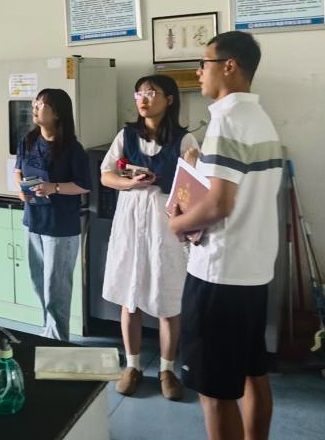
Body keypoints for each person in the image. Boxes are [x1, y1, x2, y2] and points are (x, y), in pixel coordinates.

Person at [168, 31, 282, 440]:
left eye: (204, 63)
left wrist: (177, 225)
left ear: (229, 66)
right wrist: (199, 162)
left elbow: (219, 204)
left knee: (215, 393)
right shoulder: (258, 118)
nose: (199, 72)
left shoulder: (226, 121)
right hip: (252, 270)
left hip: (219, 273)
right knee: (253, 373)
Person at [100, 74, 200, 401]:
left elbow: (193, 188)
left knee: (168, 297)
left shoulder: (185, 140)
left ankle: (167, 370)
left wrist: (190, 170)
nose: (143, 99)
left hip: (165, 222)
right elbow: (106, 175)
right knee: (130, 294)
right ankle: (132, 366)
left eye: (151, 93)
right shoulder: (126, 135)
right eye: (139, 93)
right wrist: (130, 183)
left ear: (169, 100)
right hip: (130, 218)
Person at [13, 88, 91, 341]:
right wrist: (20, 188)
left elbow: (84, 185)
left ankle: (58, 341)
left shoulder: (73, 149)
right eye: (35, 103)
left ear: (57, 113)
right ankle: (48, 332)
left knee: (56, 289)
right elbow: (18, 169)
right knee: (38, 282)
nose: (35, 108)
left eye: (41, 105)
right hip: (33, 220)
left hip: (60, 227)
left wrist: (53, 188)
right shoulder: (28, 140)